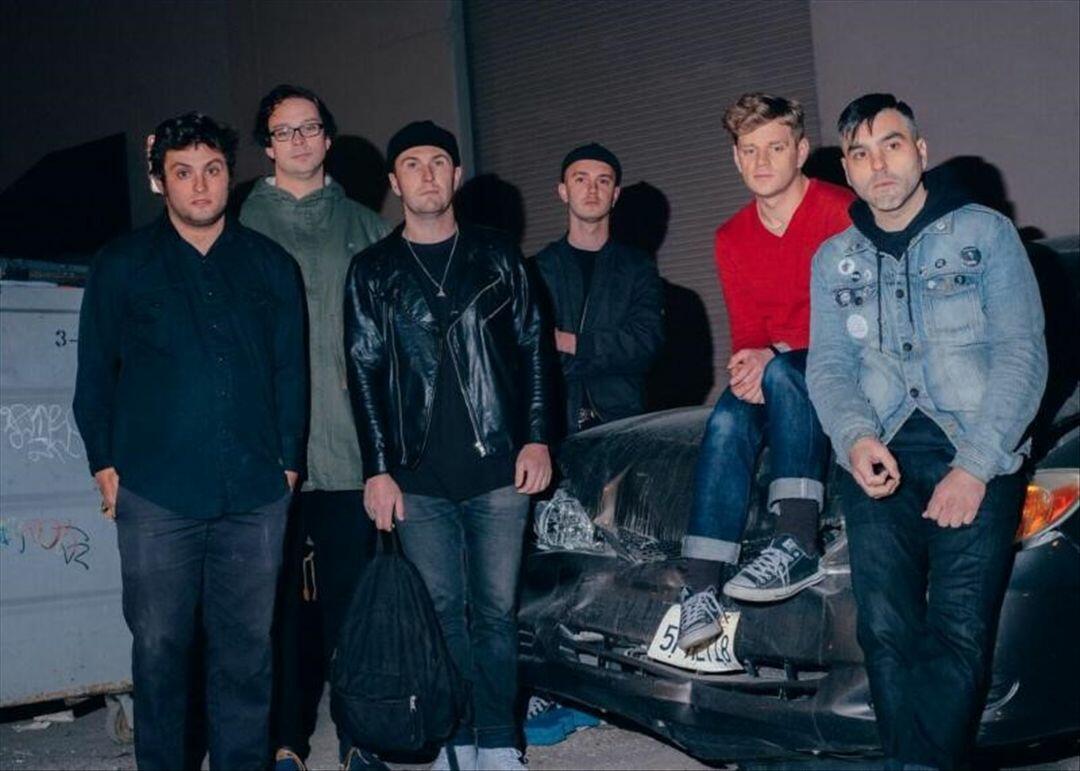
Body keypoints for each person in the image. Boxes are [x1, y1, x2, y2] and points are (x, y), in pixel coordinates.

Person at [807, 93, 1046, 770]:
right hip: (877, 448)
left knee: (958, 630)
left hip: (976, 444)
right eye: (860, 153)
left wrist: (974, 467)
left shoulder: (985, 234)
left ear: (920, 151)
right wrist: (855, 438)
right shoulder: (832, 259)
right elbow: (828, 366)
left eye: (891, 144)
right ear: (847, 170)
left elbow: (1023, 354)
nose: (877, 164)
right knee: (885, 631)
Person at [73, 112, 306, 770]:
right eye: (183, 172)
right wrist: (103, 461)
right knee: (160, 653)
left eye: (212, 170)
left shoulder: (270, 265)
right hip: (157, 495)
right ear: (160, 181)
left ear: (230, 176)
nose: (200, 186)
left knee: (246, 656)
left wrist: (289, 464)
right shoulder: (122, 265)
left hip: (255, 493)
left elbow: (292, 372)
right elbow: (94, 375)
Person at [343, 120, 554, 771]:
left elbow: (534, 349)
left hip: (498, 464)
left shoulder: (498, 255)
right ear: (394, 182)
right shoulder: (372, 270)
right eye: (412, 164)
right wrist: (378, 469)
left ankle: (499, 741)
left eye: (439, 162)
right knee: (439, 612)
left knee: (495, 611)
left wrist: (538, 437)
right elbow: (363, 371)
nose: (427, 174)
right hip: (417, 473)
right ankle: (456, 738)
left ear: (456, 175)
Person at [238, 83, 390, 771]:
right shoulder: (239, 224)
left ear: (328, 138)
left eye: (309, 127)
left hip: (350, 449)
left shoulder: (367, 226)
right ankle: (285, 740)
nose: (299, 140)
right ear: (268, 147)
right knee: (275, 608)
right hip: (265, 453)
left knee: (353, 602)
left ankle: (360, 737)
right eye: (284, 131)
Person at [677, 93, 855, 651]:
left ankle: (797, 540)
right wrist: (751, 359)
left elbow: (855, 316)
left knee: (781, 374)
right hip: (783, 366)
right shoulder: (731, 237)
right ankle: (700, 589)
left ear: (800, 151)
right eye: (749, 150)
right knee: (728, 415)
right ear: (735, 158)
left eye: (775, 148)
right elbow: (748, 333)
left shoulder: (841, 210)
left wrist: (773, 357)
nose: (761, 161)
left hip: (846, 364)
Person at [534, 143, 663, 436]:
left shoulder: (638, 268)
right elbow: (533, 353)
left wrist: (570, 343)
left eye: (602, 181)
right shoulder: (538, 268)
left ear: (615, 195)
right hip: (556, 424)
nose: (592, 190)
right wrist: (609, 354)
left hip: (622, 422)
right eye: (580, 179)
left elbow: (644, 344)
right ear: (563, 191)